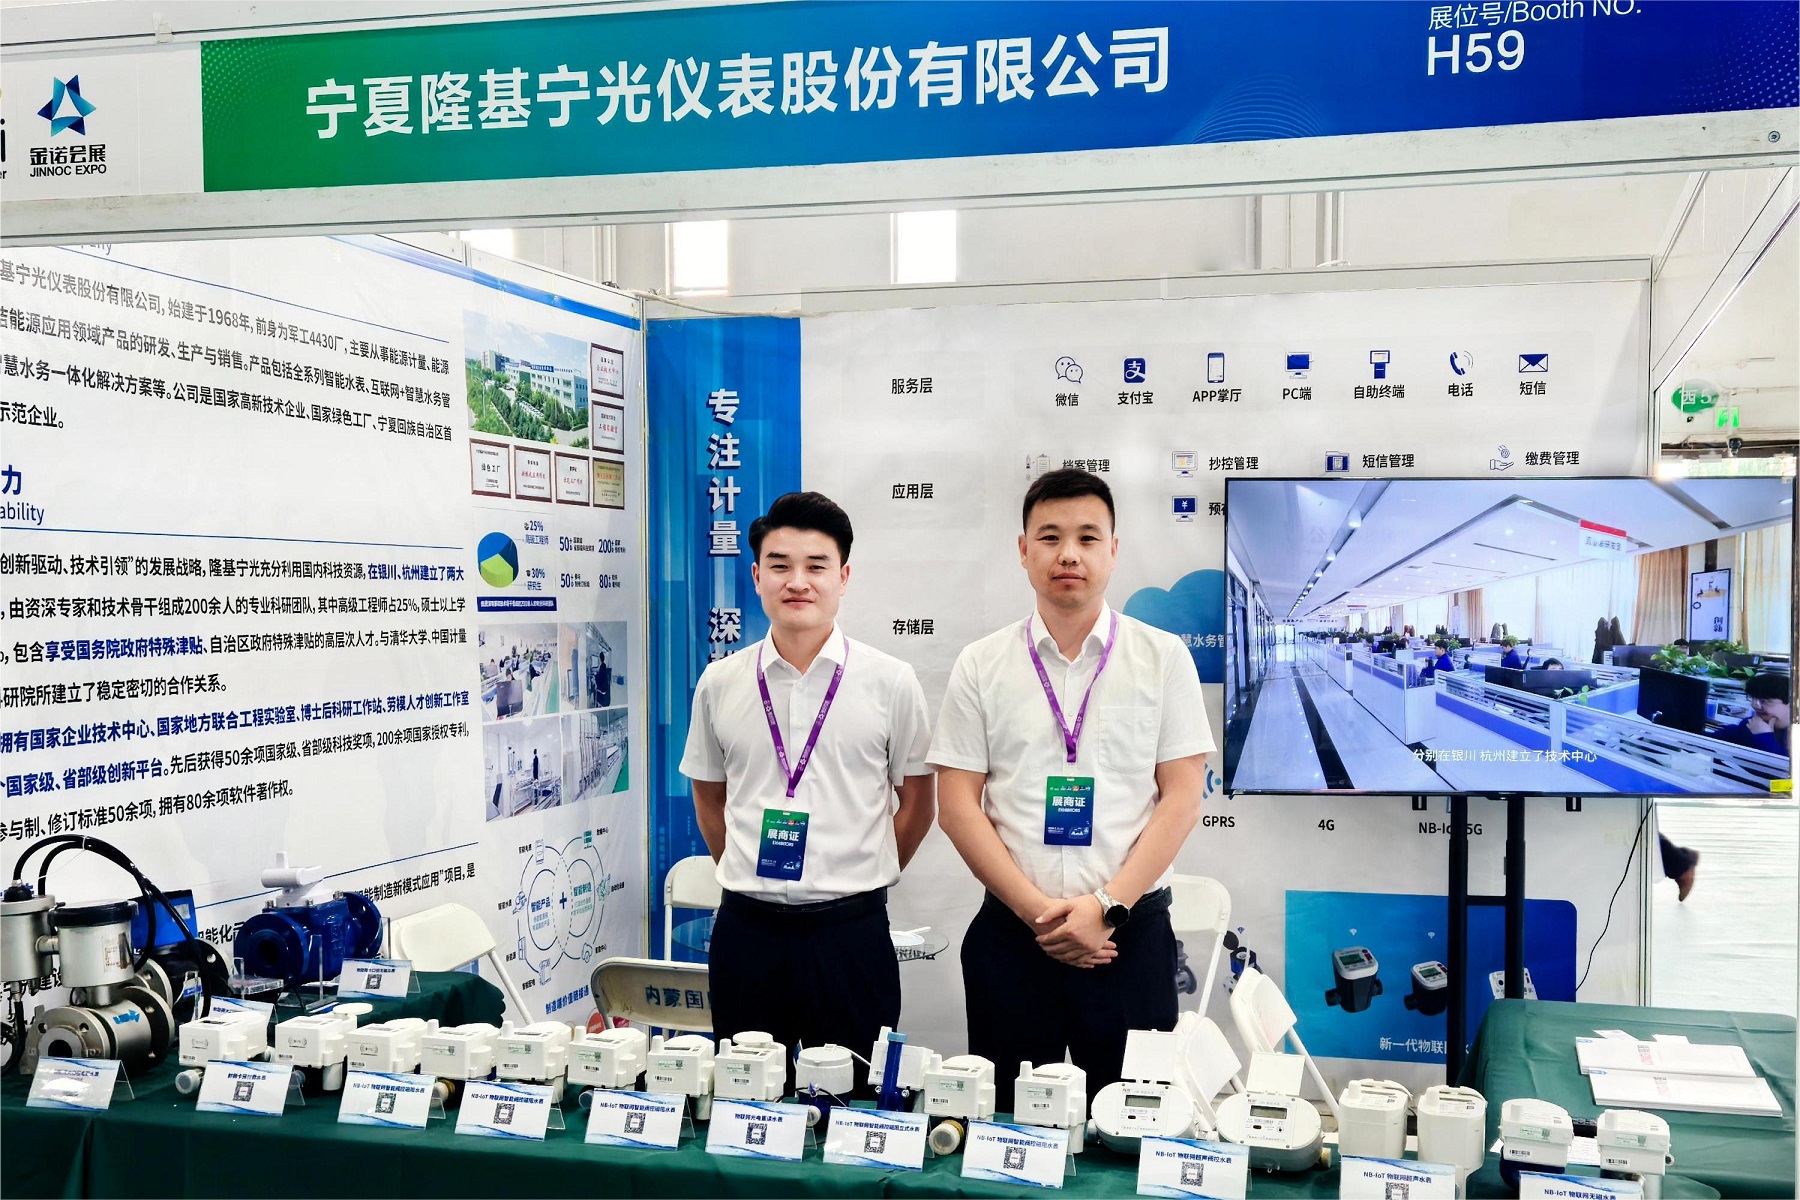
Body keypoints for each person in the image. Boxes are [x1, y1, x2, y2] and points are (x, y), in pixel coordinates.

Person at [928, 468, 1213, 1092]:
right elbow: (956, 805)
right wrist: (1043, 917)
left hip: (1129, 938)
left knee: (1128, 1121)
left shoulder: (1162, 658)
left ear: (1113, 550)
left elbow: (1183, 796)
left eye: (1087, 537)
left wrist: (1106, 908)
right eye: (1050, 537)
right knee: (1005, 1120)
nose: (1068, 554)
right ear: (1023, 549)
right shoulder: (981, 664)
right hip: (1013, 935)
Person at [680, 491, 935, 1075]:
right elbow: (710, 797)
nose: (798, 582)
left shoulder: (891, 682)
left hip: (850, 934)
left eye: (816, 566)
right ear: (757, 576)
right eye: (780, 565)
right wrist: (747, 868)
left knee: (852, 1100)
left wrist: (862, 868)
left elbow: (919, 802)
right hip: (747, 932)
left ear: (843, 577)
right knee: (746, 1098)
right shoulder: (720, 682)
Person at [1709, 672, 1791, 757]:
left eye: (1765, 701)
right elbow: (1729, 736)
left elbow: (1780, 764)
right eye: (1753, 698)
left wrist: (1764, 736)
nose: (1755, 705)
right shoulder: (1751, 724)